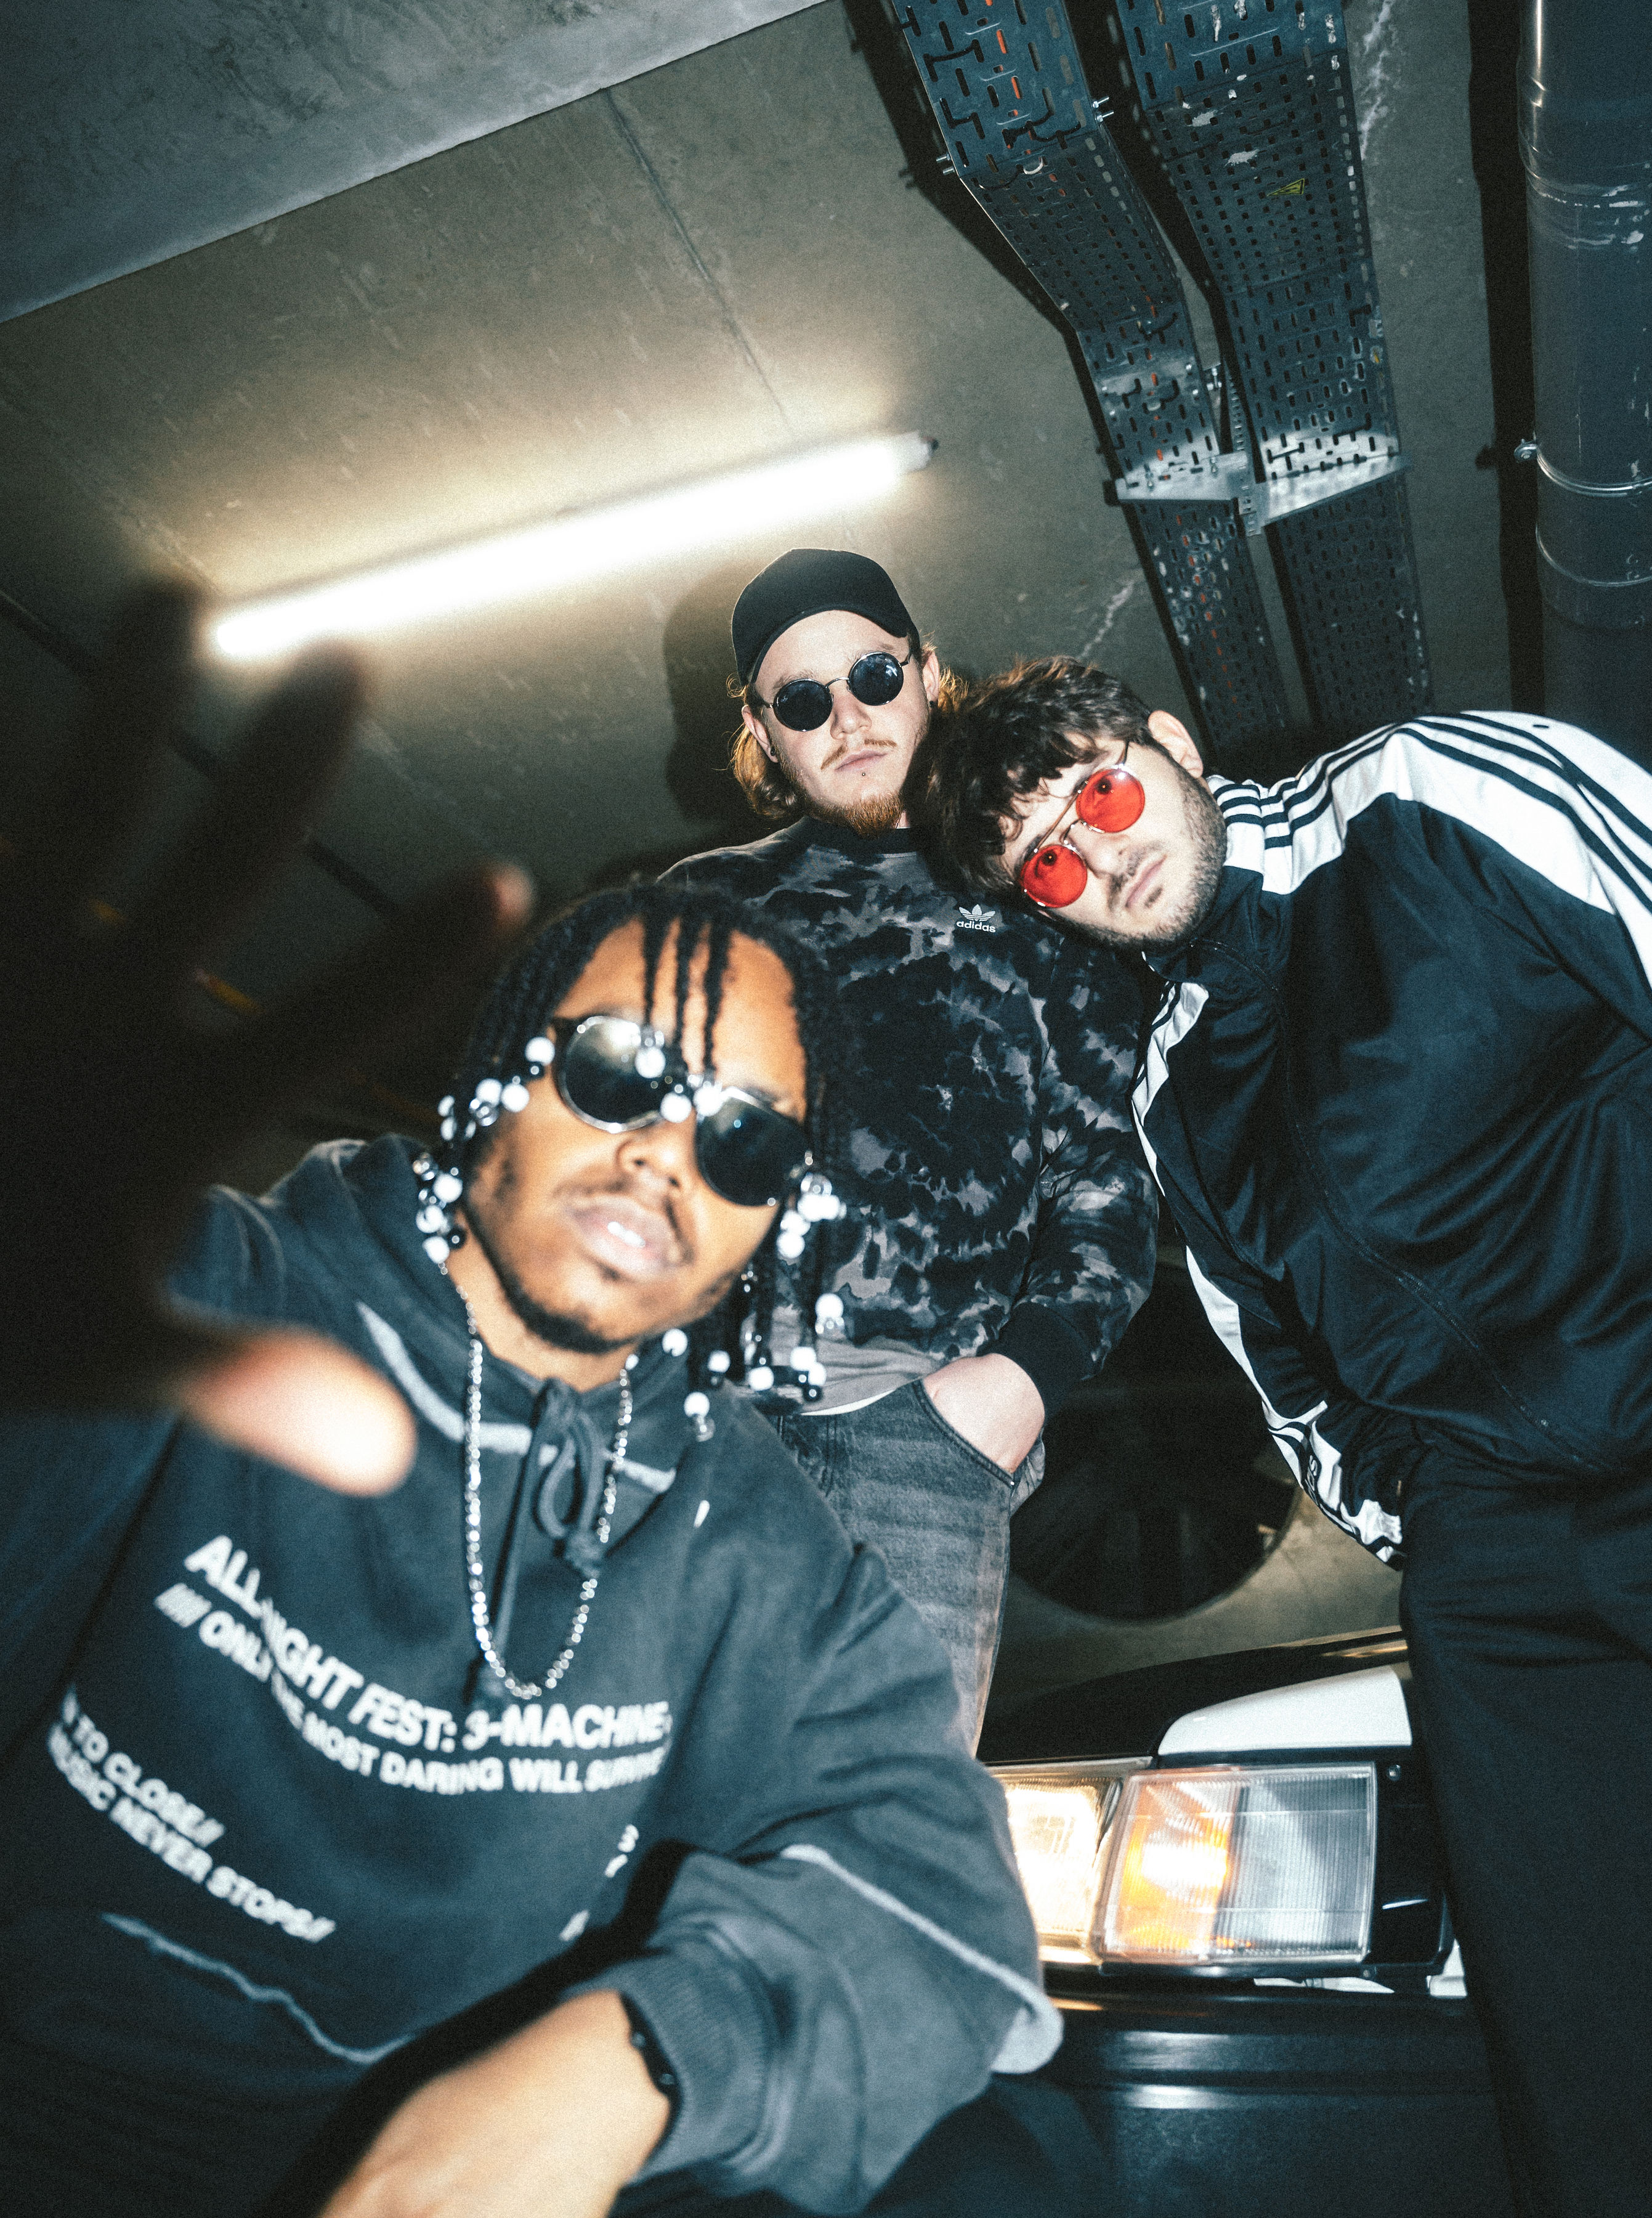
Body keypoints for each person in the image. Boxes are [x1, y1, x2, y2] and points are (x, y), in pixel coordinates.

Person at [0, 591, 1088, 2218]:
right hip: (47, 2085)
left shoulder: (734, 1520)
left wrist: (641, 2058)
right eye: (617, 1074)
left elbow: (944, 1900)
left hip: (447, 2142)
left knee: (1010, 2175)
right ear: (495, 1086)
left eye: (743, 1142)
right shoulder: (209, 1303)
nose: (665, 1154)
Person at [915, 653, 1652, 2218]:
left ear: (1168, 744)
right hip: (1495, 1564)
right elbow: (1285, 1371)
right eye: (1047, 863)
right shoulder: (1174, 1095)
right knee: (1588, 2041)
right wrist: (1429, 1518)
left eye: (1099, 792)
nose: (1096, 854)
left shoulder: (1420, 798)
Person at [666, 551, 1156, 1740]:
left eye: (874, 677)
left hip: (921, 1431)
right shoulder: (700, 904)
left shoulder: (1042, 888)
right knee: (643, 1805)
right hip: (695, 1430)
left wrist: (1014, 1386)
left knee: (876, 1813)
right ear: (761, 731)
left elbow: (1108, 1179)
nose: (847, 719)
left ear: (928, 673)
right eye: (802, 701)